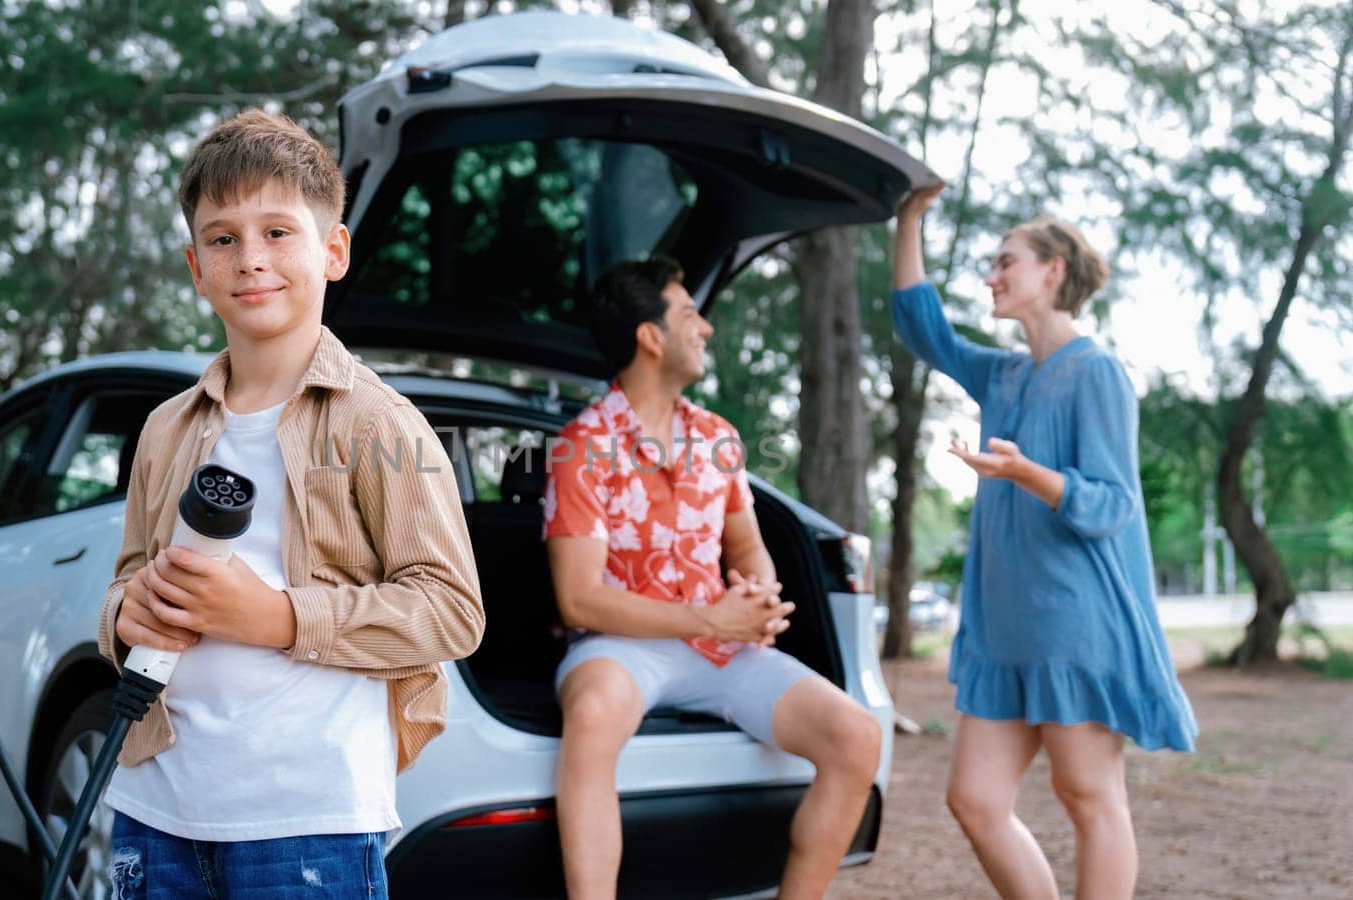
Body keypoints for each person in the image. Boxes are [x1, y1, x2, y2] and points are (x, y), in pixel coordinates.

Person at [95, 109, 484, 898]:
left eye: (279, 232)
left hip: (307, 819)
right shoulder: (165, 428)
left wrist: (278, 617)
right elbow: (130, 577)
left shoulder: (381, 423)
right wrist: (122, 616)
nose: (251, 260)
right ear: (195, 266)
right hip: (154, 802)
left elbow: (451, 610)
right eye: (223, 238)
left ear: (333, 250)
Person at [891, 184, 1198, 899]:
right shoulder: (1003, 372)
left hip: (1074, 625)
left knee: (1089, 799)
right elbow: (922, 328)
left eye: (1007, 262)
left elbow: (1112, 504)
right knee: (974, 799)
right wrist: (907, 220)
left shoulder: (1097, 373)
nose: (992, 276)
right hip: (1004, 632)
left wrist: (1028, 474)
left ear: (1053, 269)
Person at [543, 257, 884, 899]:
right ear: (651, 336)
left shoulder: (718, 438)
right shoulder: (580, 447)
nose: (706, 329)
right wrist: (711, 617)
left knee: (857, 736)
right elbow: (580, 598)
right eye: (689, 315)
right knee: (591, 713)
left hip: (721, 648)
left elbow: (748, 548)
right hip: (619, 648)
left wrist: (758, 597)